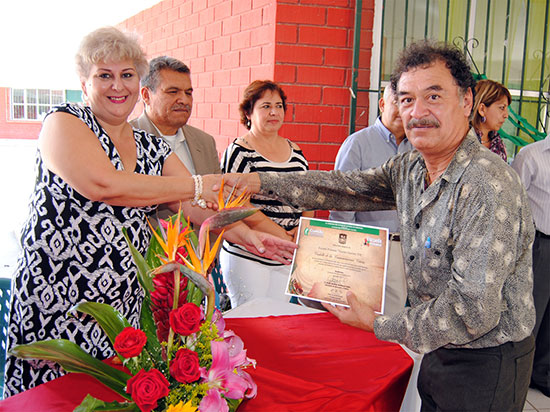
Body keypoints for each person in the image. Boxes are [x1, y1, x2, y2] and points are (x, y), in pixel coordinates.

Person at [221, 41, 536, 411]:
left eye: (433, 96)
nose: (417, 112)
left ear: (466, 101)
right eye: (406, 99)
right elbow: (341, 188)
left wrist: (379, 324)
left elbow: (472, 311)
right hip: (440, 347)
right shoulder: (412, 168)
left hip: (487, 360)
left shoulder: (485, 184)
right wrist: (257, 183)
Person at [3, 27, 295, 397]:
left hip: (122, 302)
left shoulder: (150, 145)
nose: (117, 86)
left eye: (126, 74)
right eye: (103, 75)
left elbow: (194, 207)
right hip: (60, 300)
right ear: (84, 81)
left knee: (110, 398)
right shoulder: (64, 122)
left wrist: (250, 235)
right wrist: (198, 184)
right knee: (52, 399)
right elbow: (107, 185)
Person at [219, 80, 314, 308]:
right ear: (248, 112)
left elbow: (310, 195)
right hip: (249, 255)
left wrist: (301, 232)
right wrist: (280, 233)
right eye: (266, 106)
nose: (274, 112)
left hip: (286, 254)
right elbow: (234, 206)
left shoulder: (296, 151)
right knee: (251, 321)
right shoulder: (239, 152)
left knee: (276, 320)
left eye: (279, 106)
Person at [330, 86, 412, 315]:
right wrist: (343, 252)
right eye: (397, 102)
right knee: (359, 318)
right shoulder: (358, 144)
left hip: (405, 250)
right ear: (383, 105)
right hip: (365, 250)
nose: (402, 110)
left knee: (393, 322)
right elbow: (342, 203)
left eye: (408, 103)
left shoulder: (418, 147)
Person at [130, 56, 221, 223]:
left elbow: (218, 201)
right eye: (173, 92)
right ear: (146, 95)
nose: (184, 100)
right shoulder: (127, 138)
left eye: (188, 93)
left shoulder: (205, 142)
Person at [512, 136, 550, 398]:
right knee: (531, 315)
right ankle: (517, 378)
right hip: (539, 245)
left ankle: (542, 373)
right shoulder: (530, 155)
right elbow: (513, 203)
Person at [471, 79, 511, 162]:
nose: (506, 115)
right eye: (502, 108)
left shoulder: (499, 145)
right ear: (482, 109)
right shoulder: (461, 140)